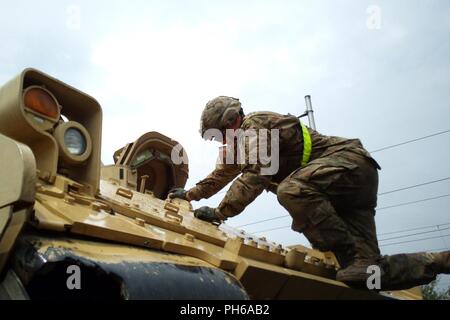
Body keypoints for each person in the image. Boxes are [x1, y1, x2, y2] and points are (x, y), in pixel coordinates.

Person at [169, 96, 450, 290]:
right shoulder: (237, 145)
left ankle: (339, 247)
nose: (218, 142)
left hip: (348, 165)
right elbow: (221, 175)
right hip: (343, 189)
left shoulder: (254, 126)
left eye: (217, 135)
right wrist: (190, 195)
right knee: (363, 273)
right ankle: (439, 261)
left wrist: (220, 213)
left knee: (291, 190)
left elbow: (257, 174)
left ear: (231, 121)